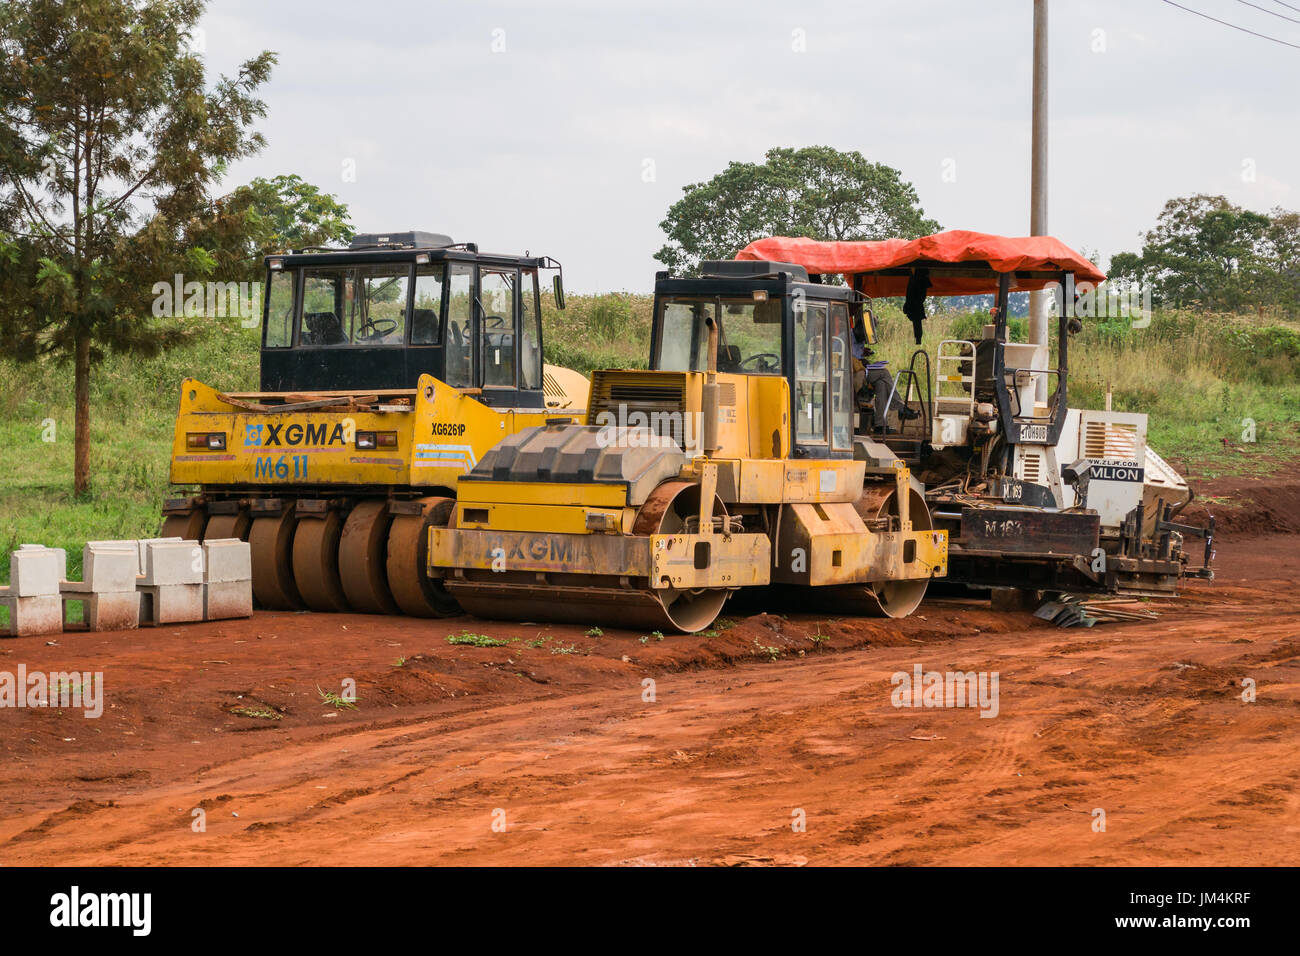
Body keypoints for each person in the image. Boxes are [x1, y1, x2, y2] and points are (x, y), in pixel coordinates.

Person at [852, 320, 919, 430]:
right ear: (858, 328)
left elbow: (857, 354)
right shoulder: (845, 337)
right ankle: (900, 407)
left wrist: (863, 354)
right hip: (852, 375)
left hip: (862, 371)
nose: (864, 338)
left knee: (881, 384)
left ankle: (880, 425)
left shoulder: (860, 339)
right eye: (864, 334)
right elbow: (840, 356)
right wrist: (858, 360)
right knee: (884, 373)